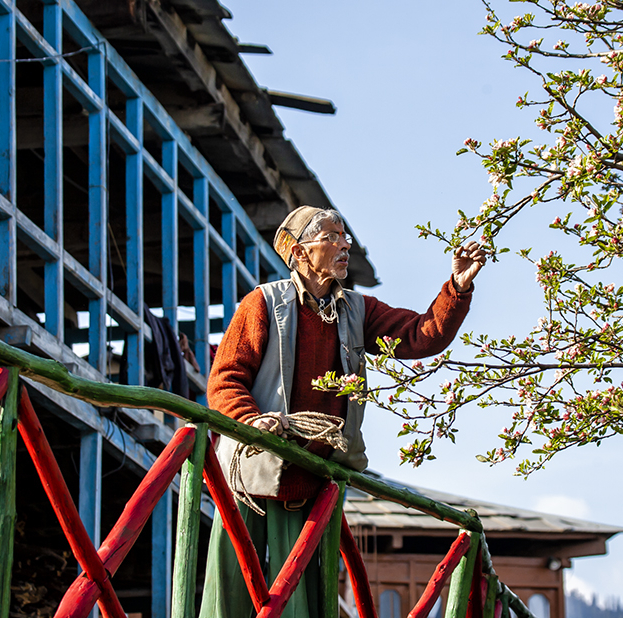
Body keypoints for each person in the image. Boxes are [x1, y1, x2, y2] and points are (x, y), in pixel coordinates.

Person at [200, 206, 487, 618]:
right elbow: (225, 379)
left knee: (300, 598)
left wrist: (457, 287)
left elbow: (421, 337)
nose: (344, 246)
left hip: (313, 476)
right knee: (229, 593)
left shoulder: (357, 309)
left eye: (345, 238)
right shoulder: (262, 304)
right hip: (251, 470)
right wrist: (250, 420)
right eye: (332, 238)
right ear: (300, 252)